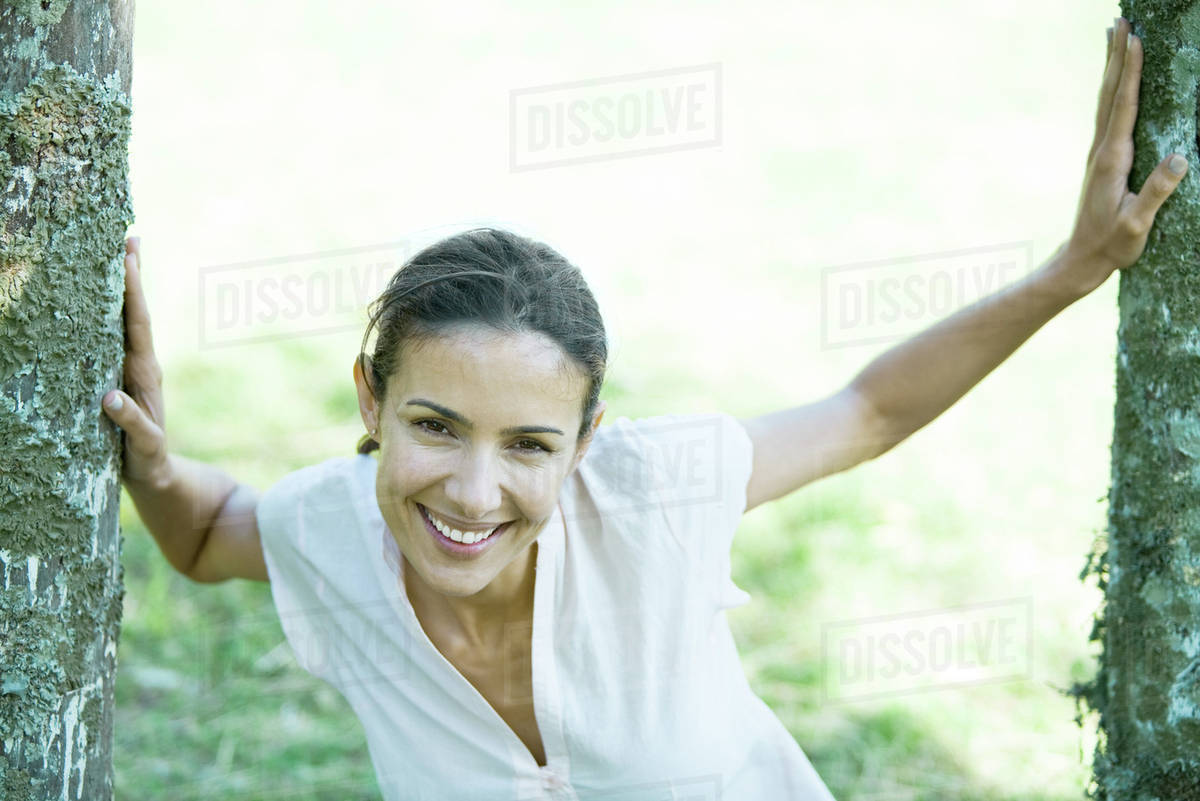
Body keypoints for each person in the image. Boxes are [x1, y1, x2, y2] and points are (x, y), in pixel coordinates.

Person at [102, 18, 1184, 800]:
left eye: (530, 443)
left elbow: (868, 410)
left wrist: (1071, 272)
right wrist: (150, 455)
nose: (472, 494)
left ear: (587, 446)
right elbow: (202, 533)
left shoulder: (660, 490)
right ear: (370, 401)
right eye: (435, 425)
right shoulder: (336, 528)